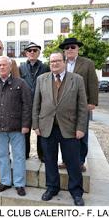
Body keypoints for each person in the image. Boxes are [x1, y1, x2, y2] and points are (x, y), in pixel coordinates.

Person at [32, 51, 88, 206]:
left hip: (69, 127)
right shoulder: (41, 79)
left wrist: (81, 127)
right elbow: (36, 104)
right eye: (51, 62)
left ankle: (76, 192)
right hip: (47, 127)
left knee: (73, 161)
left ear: (64, 62)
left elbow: (83, 107)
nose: (54, 64)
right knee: (49, 160)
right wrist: (35, 125)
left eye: (57, 61)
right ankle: (52, 187)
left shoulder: (77, 80)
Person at [0, 56, 32, 196]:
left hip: (17, 127)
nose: (2, 67)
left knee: (18, 156)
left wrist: (26, 125)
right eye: (0, 65)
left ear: (10, 67)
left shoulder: (20, 83)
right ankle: (5, 181)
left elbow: (27, 105)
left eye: (5, 65)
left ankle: (19, 184)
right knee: (2, 156)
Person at [58, 38, 98, 172]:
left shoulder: (87, 63)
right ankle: (65, 160)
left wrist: (92, 102)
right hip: (64, 107)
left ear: (77, 49)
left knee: (82, 134)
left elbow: (92, 83)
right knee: (65, 134)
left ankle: (80, 162)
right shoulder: (60, 63)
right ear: (64, 50)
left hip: (82, 105)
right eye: (67, 47)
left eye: (72, 47)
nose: (70, 49)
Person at [19, 42, 49, 161]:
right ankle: (24, 153)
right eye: (29, 50)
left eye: (35, 50)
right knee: (25, 130)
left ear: (39, 52)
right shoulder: (21, 67)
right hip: (25, 104)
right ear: (26, 53)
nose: (32, 52)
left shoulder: (45, 67)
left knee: (40, 131)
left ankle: (42, 155)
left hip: (41, 103)